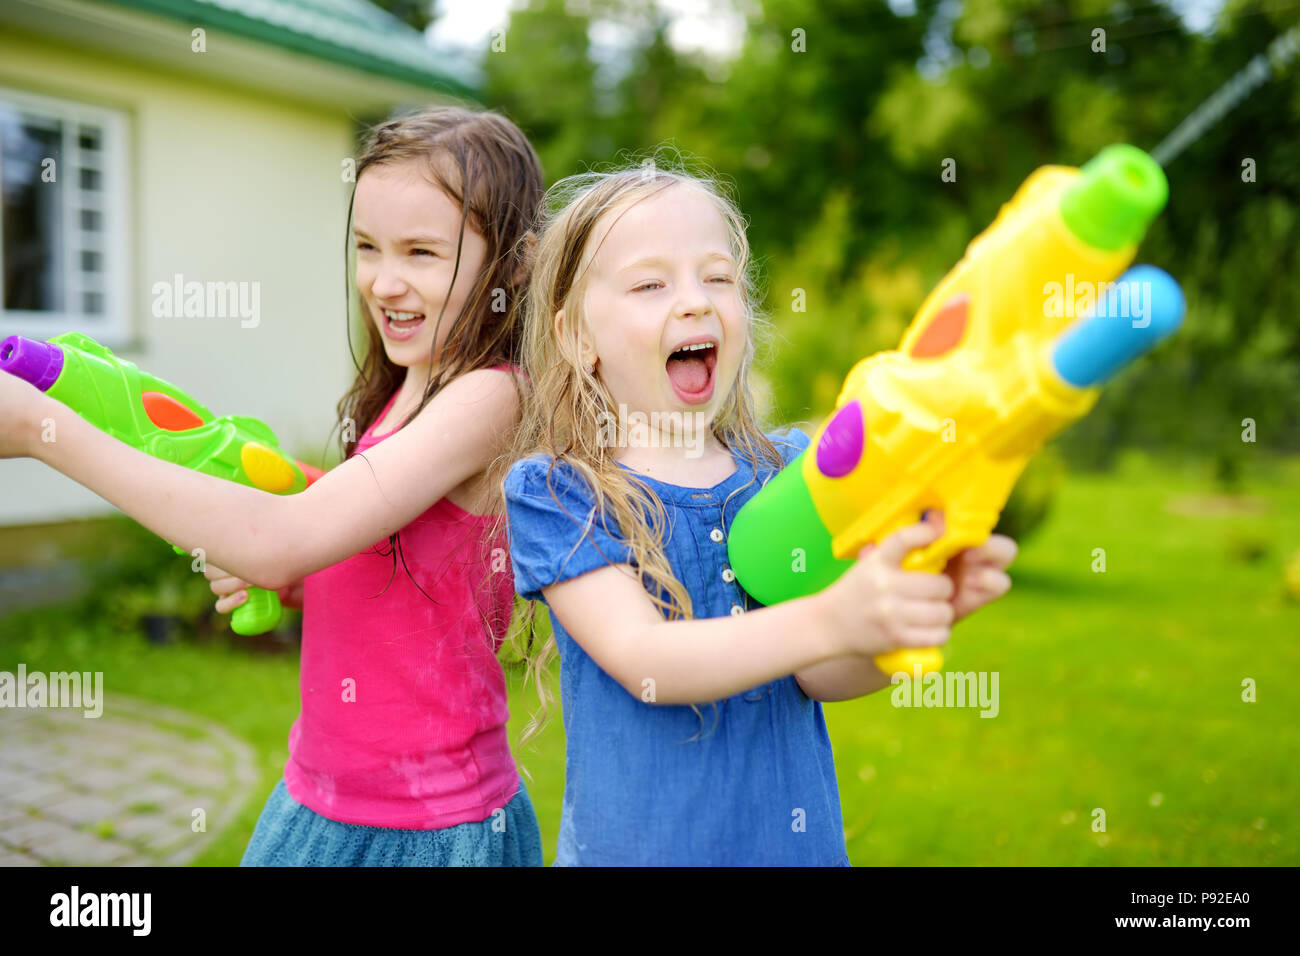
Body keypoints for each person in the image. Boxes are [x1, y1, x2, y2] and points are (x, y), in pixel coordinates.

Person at [0, 106, 547, 866]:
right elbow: (385, 561)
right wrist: (309, 584)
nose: (384, 281)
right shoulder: (412, 386)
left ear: (515, 265)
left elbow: (277, 542)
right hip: (323, 796)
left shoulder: (493, 397)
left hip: (425, 830)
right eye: (366, 248)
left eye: (423, 252)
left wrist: (39, 433)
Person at [500, 159, 1018, 865]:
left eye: (717, 278)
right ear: (575, 338)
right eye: (651, 284)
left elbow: (821, 675)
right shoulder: (561, 492)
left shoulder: (785, 470)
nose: (695, 302)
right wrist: (832, 616)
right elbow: (647, 661)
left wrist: (906, 613)